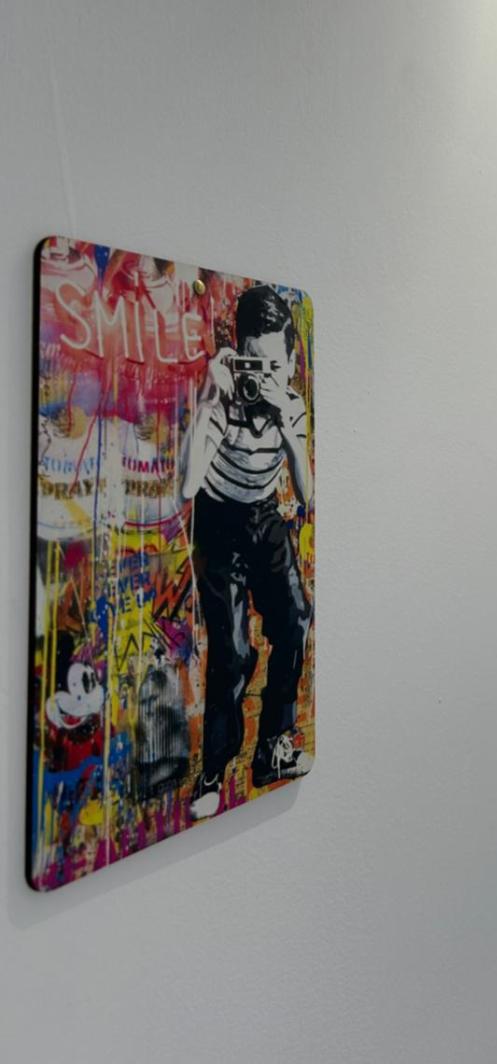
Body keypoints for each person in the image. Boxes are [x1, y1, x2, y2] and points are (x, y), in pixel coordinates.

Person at [181, 284, 313, 821]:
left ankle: (273, 746)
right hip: (218, 517)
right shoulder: (225, 400)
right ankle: (215, 769)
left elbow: (306, 494)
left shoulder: (291, 405)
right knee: (233, 651)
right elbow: (187, 486)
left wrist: (286, 427)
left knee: (296, 617)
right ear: (237, 358)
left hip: (263, 514)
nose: (263, 379)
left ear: (291, 363)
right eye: (252, 365)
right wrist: (209, 399)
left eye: (275, 367)